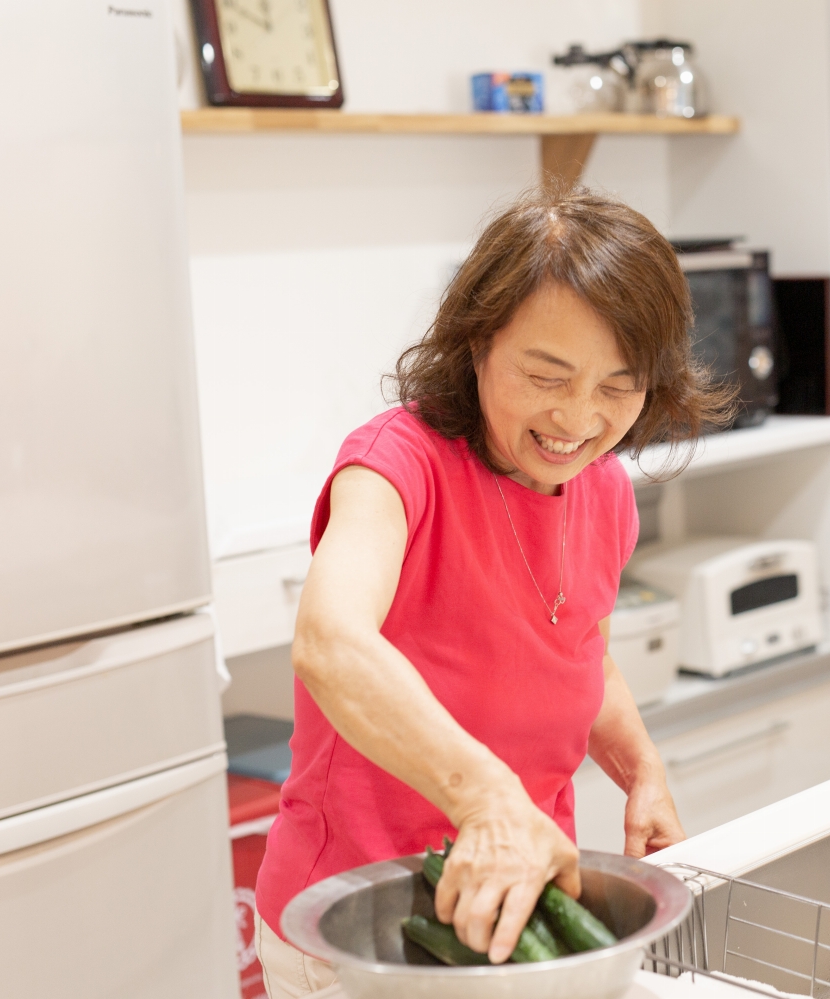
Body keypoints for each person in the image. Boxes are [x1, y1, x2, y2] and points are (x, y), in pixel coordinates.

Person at [252, 186, 734, 996]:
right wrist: (488, 798)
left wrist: (640, 765)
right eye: (547, 375)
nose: (577, 418)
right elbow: (332, 642)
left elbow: (583, 654)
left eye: (619, 386)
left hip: (515, 919)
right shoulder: (395, 466)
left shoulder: (603, 488)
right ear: (476, 346)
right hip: (363, 931)